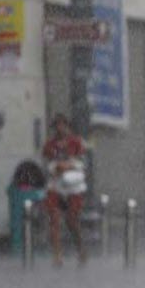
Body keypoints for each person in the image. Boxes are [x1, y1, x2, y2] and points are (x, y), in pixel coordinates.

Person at [43, 114, 88, 267]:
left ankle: (80, 249)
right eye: (57, 126)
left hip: (73, 187)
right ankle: (57, 255)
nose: (60, 129)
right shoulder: (49, 145)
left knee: (72, 220)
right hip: (56, 185)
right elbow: (47, 164)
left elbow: (82, 163)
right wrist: (55, 168)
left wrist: (68, 166)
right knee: (54, 219)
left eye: (63, 125)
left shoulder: (76, 143)